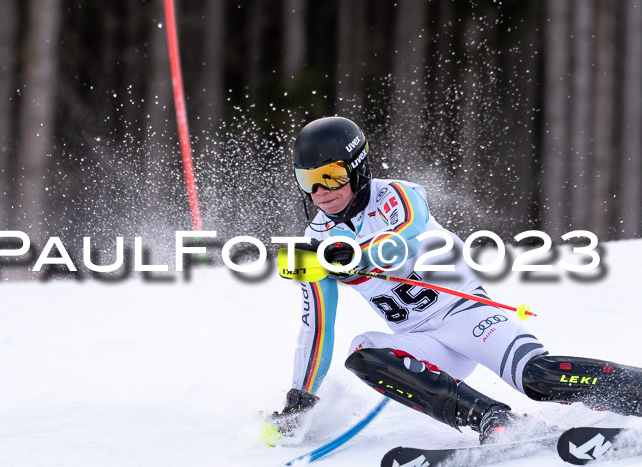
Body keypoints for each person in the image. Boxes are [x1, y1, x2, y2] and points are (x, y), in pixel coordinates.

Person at [267, 116, 642, 443]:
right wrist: (301, 397)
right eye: (309, 180)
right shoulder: (316, 244)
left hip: (470, 317)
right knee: (361, 352)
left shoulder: (395, 195)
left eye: (331, 177)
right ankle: (493, 419)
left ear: (358, 167)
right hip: (424, 343)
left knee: (537, 378)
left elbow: (407, 232)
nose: (320, 193)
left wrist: (357, 256)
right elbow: (316, 327)